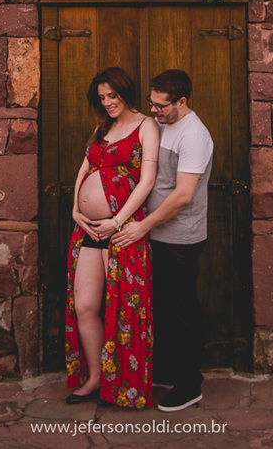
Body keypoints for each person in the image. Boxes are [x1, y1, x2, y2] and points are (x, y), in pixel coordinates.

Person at [112, 68, 213, 412]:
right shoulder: (166, 126)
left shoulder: (194, 135)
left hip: (180, 238)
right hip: (157, 234)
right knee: (164, 309)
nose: (154, 112)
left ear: (181, 102)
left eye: (161, 106)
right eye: (151, 104)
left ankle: (190, 385)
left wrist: (142, 227)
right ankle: (171, 372)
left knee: (182, 311)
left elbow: (183, 194)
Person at [64, 67, 159, 409]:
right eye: (102, 98)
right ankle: (94, 378)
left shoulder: (146, 125)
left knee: (124, 309)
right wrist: (76, 208)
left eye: (112, 96)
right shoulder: (103, 127)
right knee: (86, 304)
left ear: (125, 93)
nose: (107, 103)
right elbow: (85, 167)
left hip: (121, 231)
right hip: (88, 228)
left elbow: (147, 181)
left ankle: (123, 386)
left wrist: (118, 221)